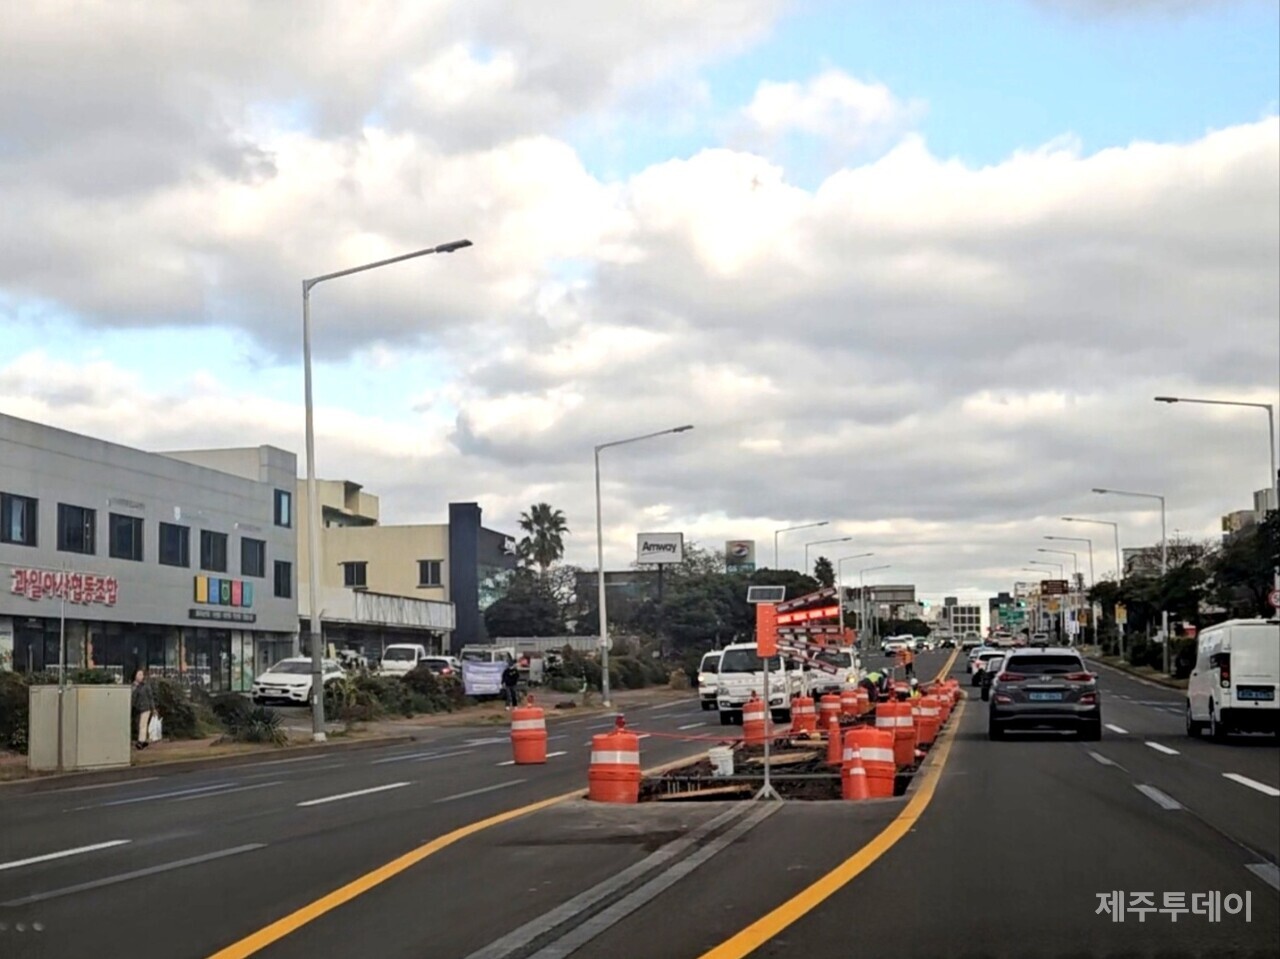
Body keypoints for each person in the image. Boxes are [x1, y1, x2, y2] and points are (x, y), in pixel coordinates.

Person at [130, 669, 155, 750]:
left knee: (142, 725)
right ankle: (143, 741)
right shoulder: (134, 686)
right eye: (139, 674)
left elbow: (150, 697)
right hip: (137, 708)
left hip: (145, 708)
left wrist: (153, 708)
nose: (141, 676)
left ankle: (141, 741)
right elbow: (133, 697)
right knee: (139, 725)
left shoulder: (146, 686)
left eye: (142, 675)